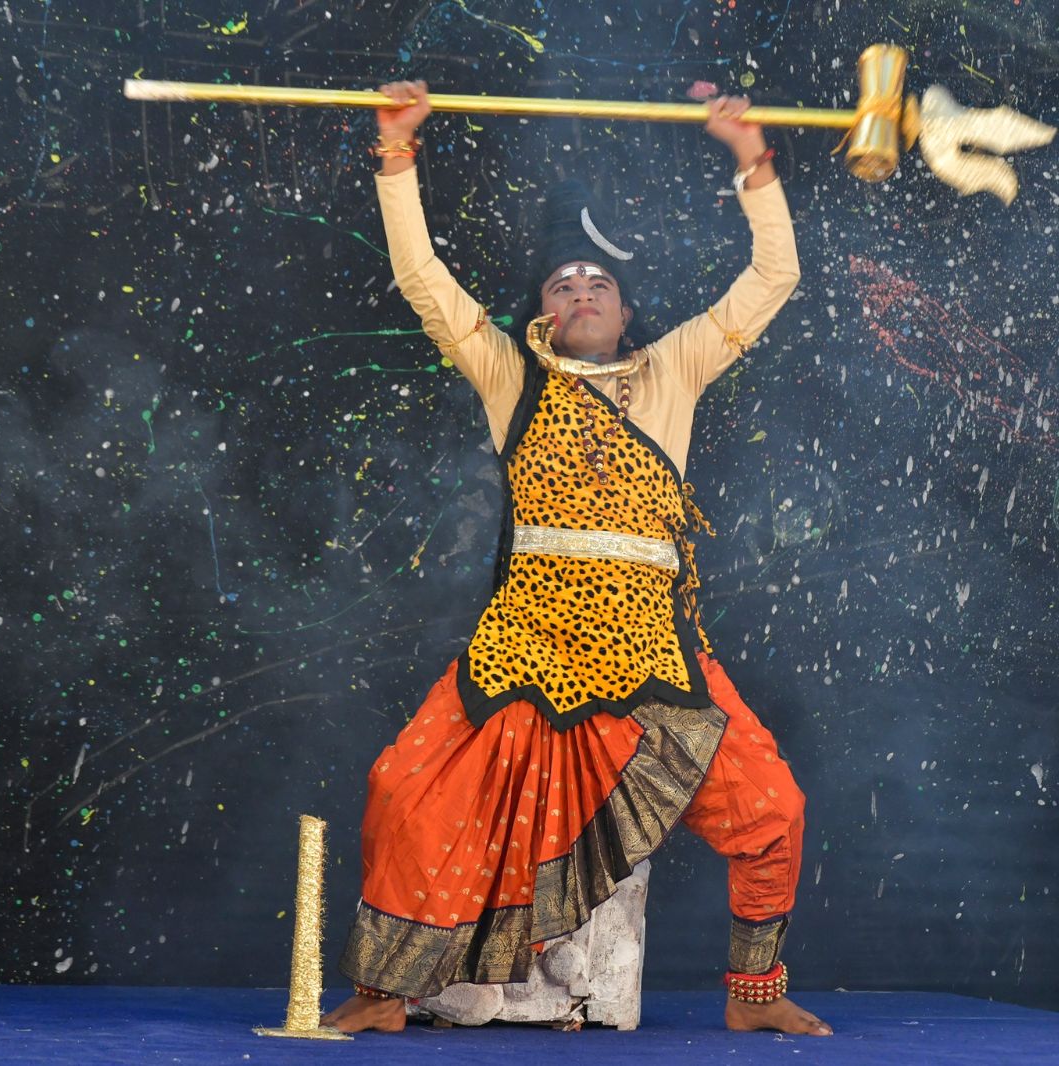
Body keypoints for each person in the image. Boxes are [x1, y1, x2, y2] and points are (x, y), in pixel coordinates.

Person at [324, 80, 827, 1038]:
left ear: (626, 312)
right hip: (528, 644)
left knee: (773, 807)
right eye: (562, 285)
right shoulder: (509, 376)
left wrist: (751, 158)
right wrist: (395, 154)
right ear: (543, 316)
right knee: (404, 789)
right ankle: (385, 993)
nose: (582, 292)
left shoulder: (673, 370)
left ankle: (753, 994)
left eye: (598, 284)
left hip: (648, 651)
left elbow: (773, 278)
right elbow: (424, 280)